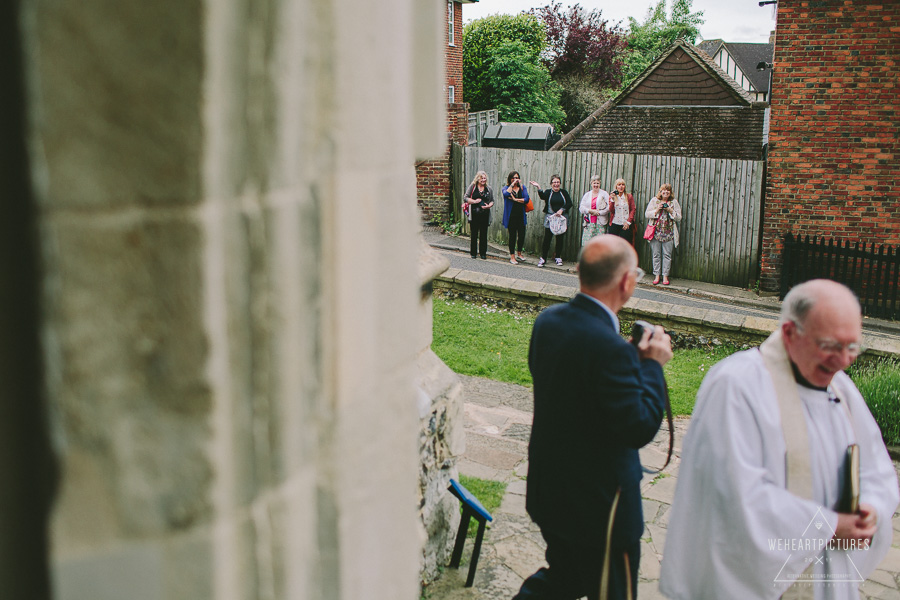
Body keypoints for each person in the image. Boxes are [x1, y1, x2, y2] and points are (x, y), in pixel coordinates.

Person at [659, 280, 899, 600]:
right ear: (790, 333)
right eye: (830, 346)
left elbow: (876, 469)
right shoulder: (736, 386)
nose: (844, 360)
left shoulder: (840, 388)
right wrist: (827, 526)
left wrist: (871, 508)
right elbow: (736, 497)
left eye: (852, 347)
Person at [513, 235, 673, 600]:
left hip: (552, 491)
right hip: (602, 509)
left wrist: (628, 361)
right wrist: (651, 366)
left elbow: (580, 391)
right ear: (626, 282)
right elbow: (638, 426)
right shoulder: (610, 349)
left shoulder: (548, 321)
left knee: (565, 578)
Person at [529, 175, 573, 267]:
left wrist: (562, 210)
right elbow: (542, 197)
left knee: (560, 239)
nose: (556, 184)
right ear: (551, 184)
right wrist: (538, 187)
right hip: (550, 218)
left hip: (561, 219)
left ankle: (557, 257)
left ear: (560, 183)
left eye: (558, 182)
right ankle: (543, 258)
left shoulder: (564, 192)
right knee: (547, 239)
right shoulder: (549, 192)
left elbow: (569, 203)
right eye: (554, 182)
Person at [644, 183, 681, 285]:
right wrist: (657, 210)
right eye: (663, 190)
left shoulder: (674, 202)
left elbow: (679, 217)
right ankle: (657, 275)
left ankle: (665, 276)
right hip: (656, 233)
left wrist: (670, 210)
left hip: (669, 234)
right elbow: (647, 214)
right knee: (656, 255)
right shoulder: (654, 201)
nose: (665, 192)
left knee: (667, 255)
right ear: (660, 192)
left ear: (670, 192)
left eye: (668, 190)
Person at [463, 170, 494, 259]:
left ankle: (483, 253)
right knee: (474, 234)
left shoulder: (489, 189)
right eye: (481, 178)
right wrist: (474, 201)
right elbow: (465, 198)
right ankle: (473, 253)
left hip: (485, 215)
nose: (483, 180)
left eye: (485, 178)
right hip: (474, 214)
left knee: (483, 235)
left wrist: (489, 206)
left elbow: (492, 200)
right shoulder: (472, 187)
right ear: (477, 178)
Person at [502, 171, 530, 264]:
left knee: (522, 235)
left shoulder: (522, 188)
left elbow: (526, 199)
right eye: (513, 178)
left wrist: (515, 199)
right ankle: (512, 256)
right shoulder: (506, 188)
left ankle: (519, 253)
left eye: (517, 178)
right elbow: (506, 194)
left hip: (520, 216)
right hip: (511, 216)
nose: (515, 179)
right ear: (510, 179)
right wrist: (512, 185)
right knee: (512, 236)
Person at [579, 175, 610, 246]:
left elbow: (609, 206)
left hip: (600, 223)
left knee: (600, 244)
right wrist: (589, 211)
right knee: (587, 244)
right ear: (591, 184)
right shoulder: (587, 194)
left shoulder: (604, 194)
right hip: (589, 223)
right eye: (594, 183)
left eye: (597, 183)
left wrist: (599, 213)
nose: (596, 185)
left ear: (600, 183)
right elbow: (581, 208)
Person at [607, 178, 636, 245]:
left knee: (625, 244)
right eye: (619, 185)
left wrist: (628, 222)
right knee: (613, 244)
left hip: (625, 224)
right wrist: (612, 200)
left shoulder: (629, 196)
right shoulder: (612, 197)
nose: (621, 186)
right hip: (615, 223)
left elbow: (633, 209)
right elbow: (611, 210)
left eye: (623, 185)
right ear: (616, 186)